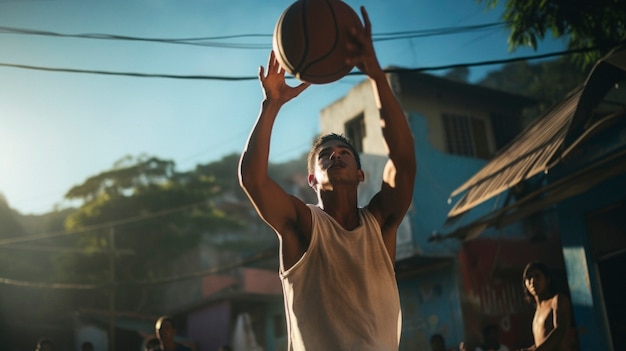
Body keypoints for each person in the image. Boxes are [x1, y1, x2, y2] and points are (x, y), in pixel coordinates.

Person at [238, 5, 416, 351]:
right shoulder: (303, 225)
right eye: (325, 156)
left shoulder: (379, 225)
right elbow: (253, 181)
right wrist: (271, 105)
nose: (335, 155)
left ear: (362, 174)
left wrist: (377, 76)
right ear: (312, 179)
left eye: (344, 153)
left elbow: (404, 162)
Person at [518, 261, 572, 351]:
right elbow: (542, 343)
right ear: (525, 285)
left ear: (547, 280)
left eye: (537, 276)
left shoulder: (557, 300)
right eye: (529, 277)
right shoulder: (537, 313)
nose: (533, 281)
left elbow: (560, 331)